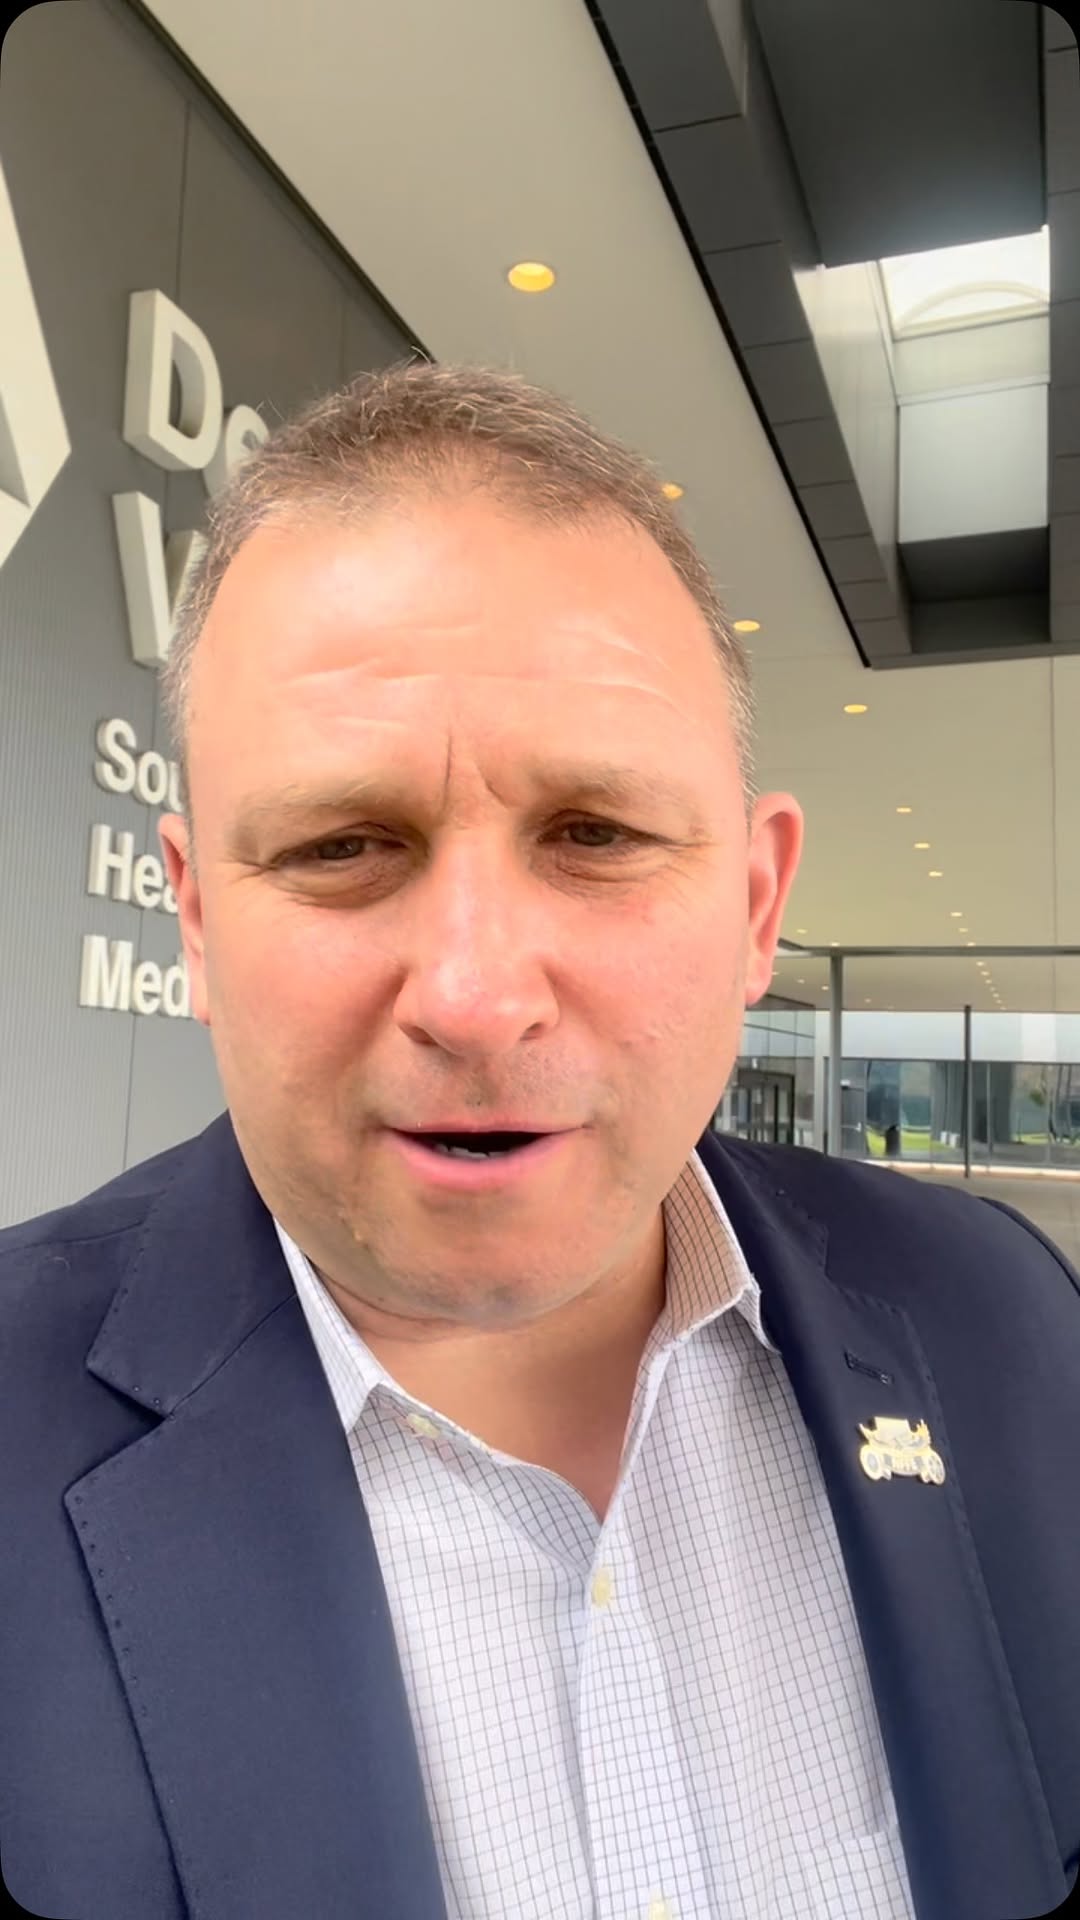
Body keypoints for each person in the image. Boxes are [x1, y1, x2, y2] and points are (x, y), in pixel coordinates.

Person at [1, 364, 1077, 1920]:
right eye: (342, 845)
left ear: (757, 906)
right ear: (196, 916)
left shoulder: (1002, 1317)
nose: (476, 997)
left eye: (596, 835)